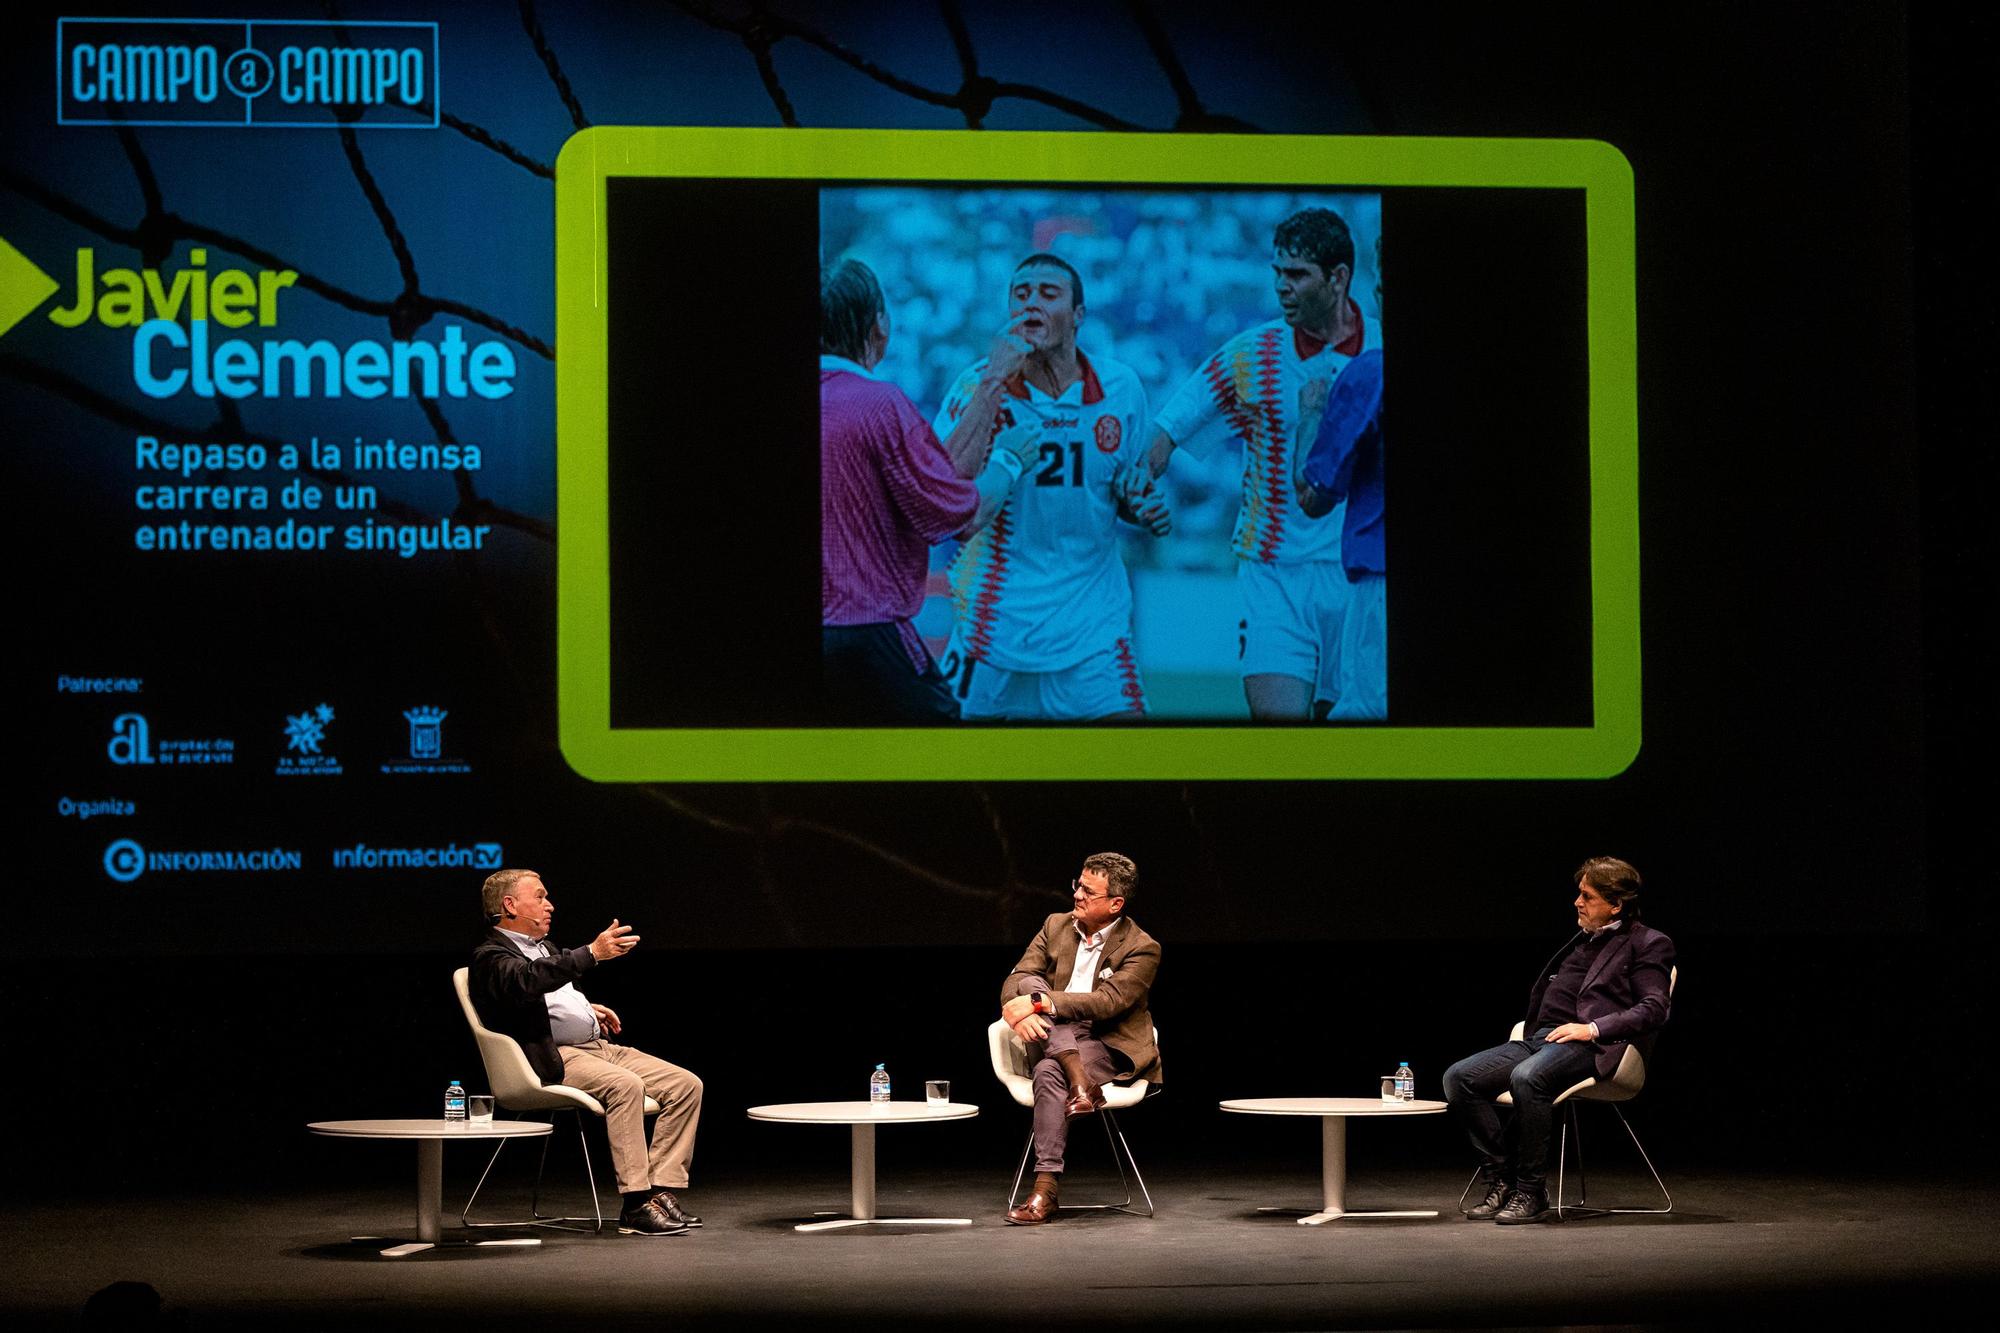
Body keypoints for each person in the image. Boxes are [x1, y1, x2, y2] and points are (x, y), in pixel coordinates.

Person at [1117, 207, 1382, 719]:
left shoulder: (1382, 350)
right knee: (1276, 734)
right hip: (1273, 571)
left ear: (1339, 278)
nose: (1283, 287)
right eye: (1277, 273)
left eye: (1298, 274)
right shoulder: (1252, 355)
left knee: (1345, 740)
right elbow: (1169, 429)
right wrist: (1138, 484)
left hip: (1355, 576)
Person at [932, 253, 1170, 719]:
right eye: (1021, 294)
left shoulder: (1122, 390)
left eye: (1047, 293)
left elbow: (1119, 490)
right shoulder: (975, 386)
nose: (1031, 304)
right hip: (994, 626)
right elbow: (945, 495)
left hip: (1091, 629)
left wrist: (1138, 505)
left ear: (1078, 315)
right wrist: (994, 380)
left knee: (1135, 771)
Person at [820, 257, 1034, 721]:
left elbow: (938, 475)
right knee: (941, 763)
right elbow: (957, 515)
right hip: (869, 635)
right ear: (880, 325)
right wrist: (1009, 459)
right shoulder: (878, 404)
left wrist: (992, 382)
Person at [468, 869, 705, 1237]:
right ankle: (635, 1204)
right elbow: (526, 982)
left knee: (686, 1084)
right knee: (626, 1086)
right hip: (557, 1058)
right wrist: (592, 953)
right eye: (541, 896)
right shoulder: (490, 955)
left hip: (598, 1048)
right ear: (509, 904)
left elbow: (548, 989)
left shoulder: (544, 948)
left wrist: (583, 1009)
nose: (550, 905)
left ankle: (661, 1192)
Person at [1442, 857, 1676, 1224]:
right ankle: (1500, 1180)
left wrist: (1592, 1028)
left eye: (1588, 896)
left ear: (1617, 904)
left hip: (1591, 1046)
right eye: (1578, 893)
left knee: (1527, 1077)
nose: (1577, 902)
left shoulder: (1648, 943)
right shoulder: (1583, 940)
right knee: (1459, 1078)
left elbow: (1654, 1008)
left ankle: (1531, 1190)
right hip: (1541, 1039)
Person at [997, 852, 1162, 1224]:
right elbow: (1016, 979)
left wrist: (1039, 1004)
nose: (1077, 896)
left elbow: (1107, 1003)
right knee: (1028, 981)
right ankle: (1081, 1085)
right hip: (1056, 1035)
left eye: (1088, 892)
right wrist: (1018, 1008)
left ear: (1116, 903)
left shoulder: (1142, 947)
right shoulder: (1055, 925)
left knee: (1047, 1072)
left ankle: (1045, 1189)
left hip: (1105, 1042)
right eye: (1078, 885)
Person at [1295, 345, 1385, 719]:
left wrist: (1312, 414)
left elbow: (1312, 497)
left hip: (1380, 575)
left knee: (1366, 716)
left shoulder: (1371, 373)